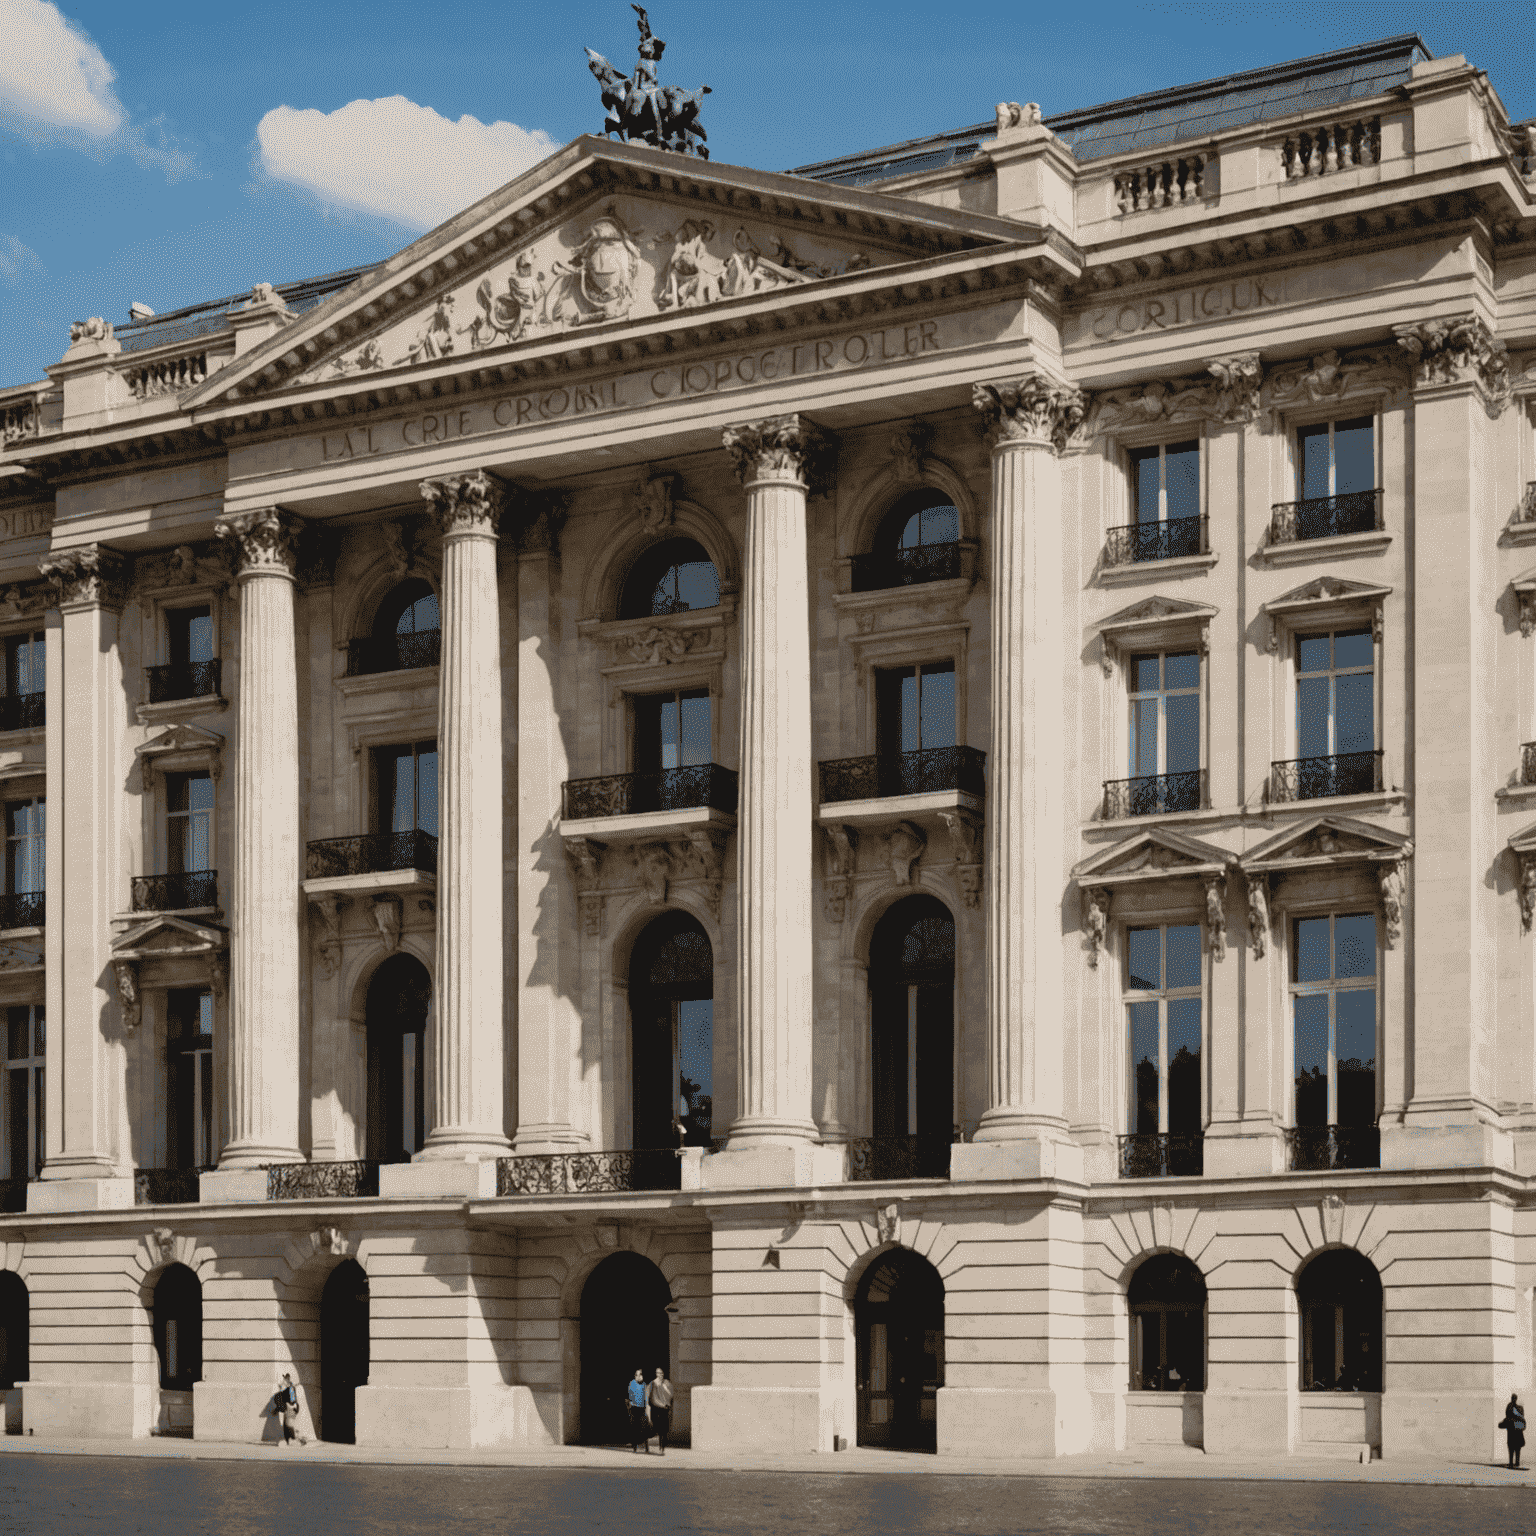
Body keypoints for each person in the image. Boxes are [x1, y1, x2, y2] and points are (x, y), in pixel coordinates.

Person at [275, 1373, 308, 1447]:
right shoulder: (288, 1388)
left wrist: (291, 1406)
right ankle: (290, 1441)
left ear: (287, 1380)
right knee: (287, 1425)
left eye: (284, 1380)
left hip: (290, 1408)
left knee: (289, 1425)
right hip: (289, 1408)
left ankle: (294, 1440)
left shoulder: (290, 1388)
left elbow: (292, 1400)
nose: (283, 1382)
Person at [648, 1367, 674, 1454]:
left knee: (664, 1429)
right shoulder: (653, 1383)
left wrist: (665, 1388)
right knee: (658, 1428)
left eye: (661, 1373)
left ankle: (662, 1447)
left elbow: (671, 1395)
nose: (660, 1375)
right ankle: (658, 1446)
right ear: (655, 1374)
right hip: (656, 1409)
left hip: (665, 1409)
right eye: (658, 1373)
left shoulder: (667, 1383)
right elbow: (650, 1397)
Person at [626, 1368, 651, 1453]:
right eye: (639, 1374)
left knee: (644, 1427)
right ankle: (635, 1446)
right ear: (635, 1376)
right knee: (635, 1427)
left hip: (642, 1408)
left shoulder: (644, 1385)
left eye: (641, 1374)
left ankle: (646, 1447)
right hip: (634, 1408)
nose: (640, 1376)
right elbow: (630, 1397)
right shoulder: (632, 1383)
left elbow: (646, 1397)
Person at [1499, 1393, 1526, 1469]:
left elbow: (1507, 1417)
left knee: (1511, 1447)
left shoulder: (1510, 1406)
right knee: (1517, 1447)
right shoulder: (1520, 1408)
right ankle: (1516, 1462)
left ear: (1512, 1398)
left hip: (1512, 1430)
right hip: (1518, 1430)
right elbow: (1522, 1418)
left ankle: (1511, 1462)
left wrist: (1503, 1423)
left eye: (1513, 1398)